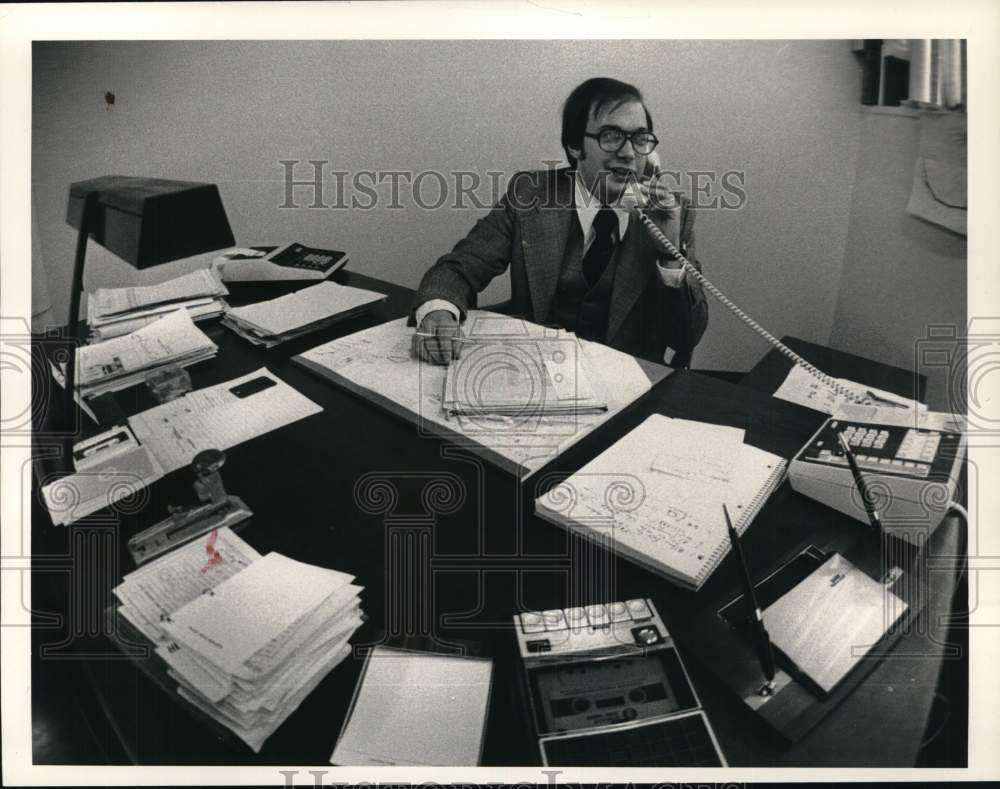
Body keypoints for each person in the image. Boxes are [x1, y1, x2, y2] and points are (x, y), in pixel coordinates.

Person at [411, 77, 708, 367]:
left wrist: (669, 254)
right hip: (535, 372)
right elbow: (460, 268)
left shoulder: (671, 213)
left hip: (626, 383)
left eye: (640, 139)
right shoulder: (529, 195)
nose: (629, 153)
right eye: (611, 136)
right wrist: (439, 311)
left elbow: (684, 337)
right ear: (575, 146)